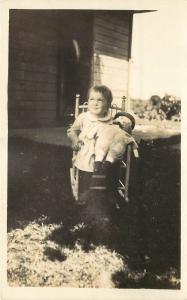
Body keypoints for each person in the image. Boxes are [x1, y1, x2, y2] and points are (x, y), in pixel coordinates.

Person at [67, 84, 113, 197]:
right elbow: (71, 131)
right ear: (87, 101)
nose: (95, 103)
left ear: (107, 105)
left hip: (102, 155)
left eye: (100, 100)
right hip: (85, 152)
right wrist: (74, 140)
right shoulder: (84, 117)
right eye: (91, 99)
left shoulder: (109, 120)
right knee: (85, 166)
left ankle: (105, 193)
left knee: (107, 170)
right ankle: (84, 192)